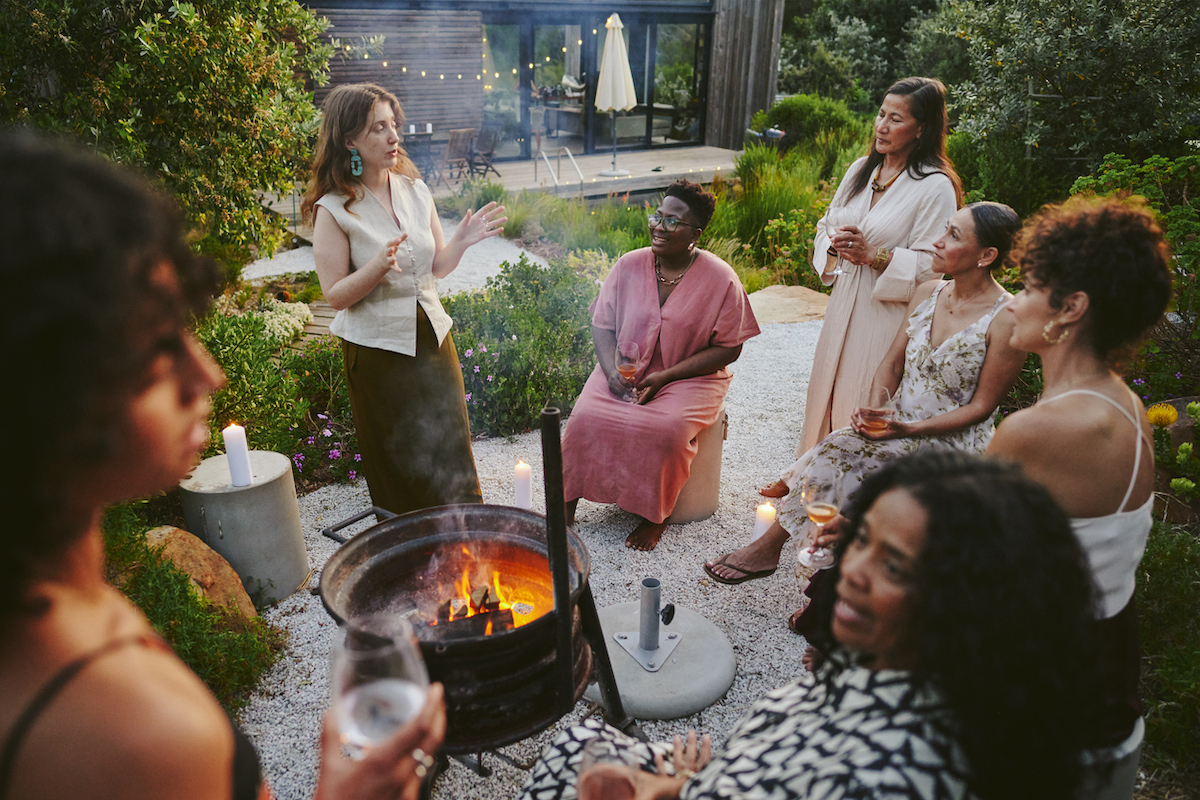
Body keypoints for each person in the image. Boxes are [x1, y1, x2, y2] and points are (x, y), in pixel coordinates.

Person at [0, 131, 445, 800]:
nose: (206, 372)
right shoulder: (136, 739)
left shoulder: (53, 610)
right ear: (42, 388)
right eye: (157, 348)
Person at [519, 452, 1102, 800]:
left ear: (965, 599)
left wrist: (667, 790)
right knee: (582, 743)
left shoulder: (887, 772)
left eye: (894, 566)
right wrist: (690, 779)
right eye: (861, 540)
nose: (852, 572)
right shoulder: (896, 667)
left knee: (572, 755)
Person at [706, 202, 1024, 589]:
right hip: (899, 426)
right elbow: (891, 363)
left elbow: (982, 408)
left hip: (953, 444)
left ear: (986, 255)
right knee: (839, 445)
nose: (937, 243)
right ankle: (772, 550)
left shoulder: (1006, 317)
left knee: (861, 473)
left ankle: (820, 585)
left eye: (953, 236)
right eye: (944, 230)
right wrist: (875, 408)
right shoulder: (928, 291)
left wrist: (907, 429)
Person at [987, 196, 1172, 798]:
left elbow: (959, 560)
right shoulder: (1121, 400)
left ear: (1071, 308)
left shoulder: (1039, 430)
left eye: (1028, 287)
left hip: (1046, 680)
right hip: (1107, 657)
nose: (1013, 301)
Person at [303, 83, 505, 515]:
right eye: (379, 127)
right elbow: (335, 295)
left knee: (452, 450)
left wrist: (461, 242)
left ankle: (466, 544)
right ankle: (411, 555)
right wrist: (375, 268)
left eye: (394, 124)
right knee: (399, 463)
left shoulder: (415, 190)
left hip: (434, 341)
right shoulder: (335, 209)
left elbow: (436, 267)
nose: (394, 136)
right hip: (378, 355)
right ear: (349, 140)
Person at [762, 77, 962, 499]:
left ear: (922, 128)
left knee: (862, 395)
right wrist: (833, 248)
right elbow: (824, 225)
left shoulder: (935, 186)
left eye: (896, 118)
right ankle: (807, 476)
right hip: (844, 301)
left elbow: (938, 265)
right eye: (880, 114)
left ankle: (848, 496)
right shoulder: (861, 169)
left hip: (886, 313)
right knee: (826, 388)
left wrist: (878, 256)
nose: (881, 126)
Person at [561, 180, 760, 551]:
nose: (658, 226)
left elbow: (729, 348)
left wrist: (667, 375)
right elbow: (602, 325)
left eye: (672, 221)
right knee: (585, 419)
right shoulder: (629, 265)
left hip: (690, 377)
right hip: (625, 369)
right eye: (657, 216)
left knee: (666, 430)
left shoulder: (721, 279)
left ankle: (655, 516)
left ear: (694, 235)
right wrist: (608, 373)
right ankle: (566, 505)